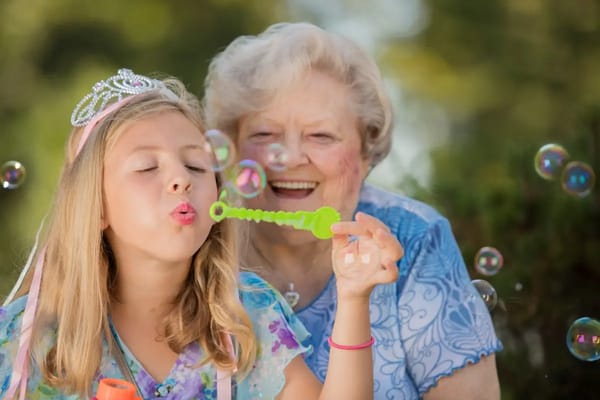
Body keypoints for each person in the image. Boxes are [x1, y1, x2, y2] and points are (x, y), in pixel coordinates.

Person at [0, 68, 401, 399]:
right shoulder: (26, 338)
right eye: (146, 168)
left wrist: (353, 298)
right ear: (97, 207)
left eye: (195, 166)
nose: (180, 179)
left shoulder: (246, 316)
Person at [203, 22, 503, 399]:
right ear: (230, 148)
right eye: (265, 135)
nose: (292, 158)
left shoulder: (413, 239)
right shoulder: (198, 242)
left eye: (321, 136)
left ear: (366, 153)